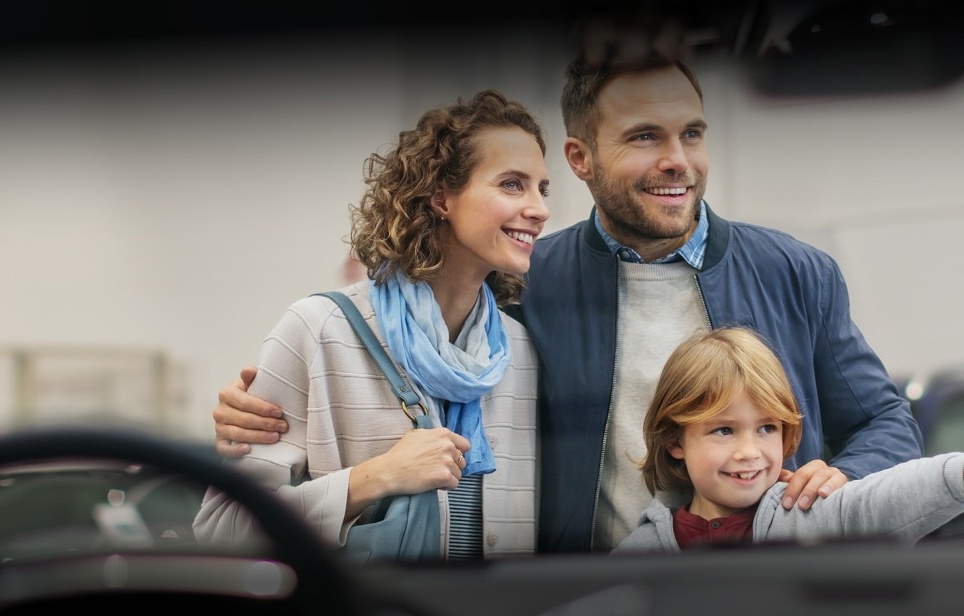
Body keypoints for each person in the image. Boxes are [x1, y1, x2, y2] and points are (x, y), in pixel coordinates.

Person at [208, 47, 924, 553]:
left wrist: (847, 475)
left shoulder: (798, 271)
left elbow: (887, 420)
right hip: (584, 592)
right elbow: (410, 327)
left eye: (692, 134)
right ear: (581, 158)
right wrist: (261, 402)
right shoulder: (525, 279)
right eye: (646, 137)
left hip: (765, 585)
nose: (678, 160)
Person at [192, 89, 549, 561]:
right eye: (511, 184)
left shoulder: (521, 350)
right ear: (441, 197)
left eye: (543, 188)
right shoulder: (318, 330)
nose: (540, 209)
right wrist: (376, 477)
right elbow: (223, 529)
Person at [615, 326, 964, 553]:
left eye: (767, 428)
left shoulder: (812, 513)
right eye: (724, 430)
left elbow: (884, 497)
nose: (749, 452)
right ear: (675, 440)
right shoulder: (641, 551)